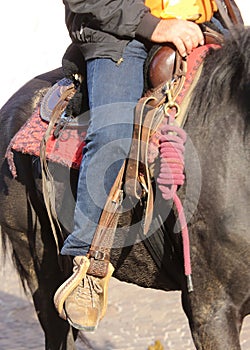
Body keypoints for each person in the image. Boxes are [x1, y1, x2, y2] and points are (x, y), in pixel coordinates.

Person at [54, 0, 243, 332]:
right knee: (115, 131)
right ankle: (88, 261)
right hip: (123, 35)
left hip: (202, 24)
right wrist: (155, 26)